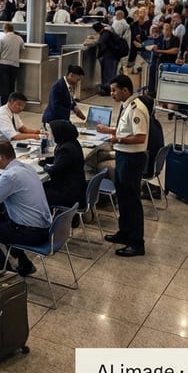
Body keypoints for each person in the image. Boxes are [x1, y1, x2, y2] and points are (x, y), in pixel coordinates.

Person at [0, 141, 52, 277]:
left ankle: (5, 274)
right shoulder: (25, 168)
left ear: (0, 157)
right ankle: (24, 263)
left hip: (30, 232)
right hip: (43, 226)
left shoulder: (9, 176)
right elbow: (8, 188)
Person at [96, 74, 149, 257]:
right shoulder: (126, 106)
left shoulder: (136, 109)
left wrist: (117, 138)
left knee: (131, 201)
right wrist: (109, 130)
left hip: (132, 158)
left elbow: (140, 136)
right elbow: (125, 130)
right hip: (123, 155)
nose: (111, 94)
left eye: (114, 90)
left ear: (125, 90)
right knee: (123, 198)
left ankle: (136, 243)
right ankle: (124, 233)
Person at [41, 119, 86, 209]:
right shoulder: (71, 142)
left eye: (51, 132)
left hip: (69, 193)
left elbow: (55, 171)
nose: (49, 133)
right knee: (42, 186)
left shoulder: (66, 149)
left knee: (37, 192)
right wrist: (48, 160)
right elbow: (62, 161)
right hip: (75, 187)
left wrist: (44, 166)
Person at [0, 22, 24, 105]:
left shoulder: (2, 38)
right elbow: (22, 49)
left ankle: (4, 105)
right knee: (11, 86)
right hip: (14, 65)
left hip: (3, 64)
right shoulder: (19, 39)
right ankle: (11, 104)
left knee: (4, 87)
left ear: (5, 29)